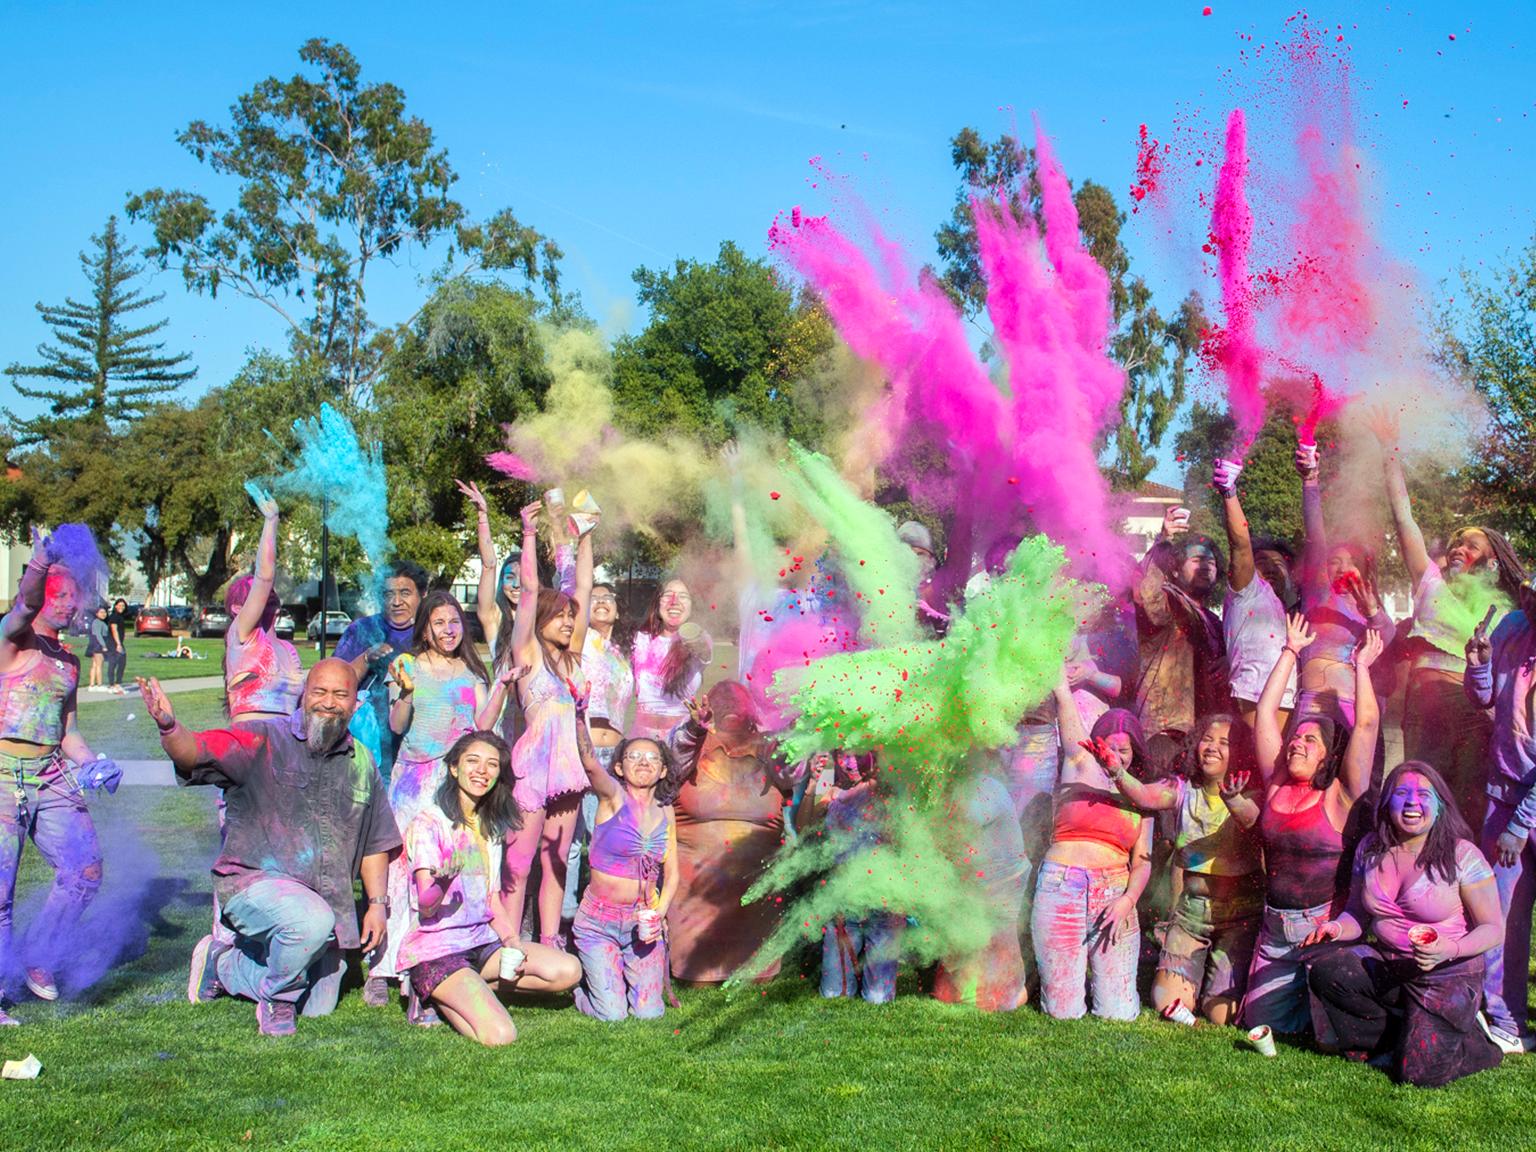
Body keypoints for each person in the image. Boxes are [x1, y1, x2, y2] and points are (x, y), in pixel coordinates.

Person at [139, 659, 398, 1037]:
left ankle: (224, 965)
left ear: (354, 703)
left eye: (340, 695)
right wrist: (169, 726)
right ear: (303, 696)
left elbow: (375, 839)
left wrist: (376, 906)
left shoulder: (361, 762)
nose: (329, 702)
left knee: (321, 1004)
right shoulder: (263, 738)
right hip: (254, 883)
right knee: (309, 924)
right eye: (319, 692)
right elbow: (196, 752)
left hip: (324, 902)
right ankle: (276, 1002)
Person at [1372, 407, 1528, 830]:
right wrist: (1390, 450)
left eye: (1471, 545)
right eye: (1456, 542)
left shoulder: (1508, 613)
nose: (1458, 548)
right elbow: (1404, 519)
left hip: (1477, 715)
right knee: (1423, 799)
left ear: (1493, 563)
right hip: (1423, 708)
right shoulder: (1431, 584)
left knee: (1468, 807)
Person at [1303, 763, 1503, 1086]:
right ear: (1386, 804)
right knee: (1329, 972)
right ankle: (1394, 1038)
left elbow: (1494, 928)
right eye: (1401, 794)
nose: (1412, 802)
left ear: (1440, 806)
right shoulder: (1370, 848)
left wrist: (1448, 950)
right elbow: (1357, 913)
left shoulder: (1462, 855)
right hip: (1392, 964)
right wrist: (1337, 929)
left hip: (1448, 973)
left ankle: (1475, 1046)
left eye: (1424, 795)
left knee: (1416, 1076)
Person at [373, 592, 517, 1005]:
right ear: (425, 627)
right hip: (415, 781)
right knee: (404, 872)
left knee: (450, 869)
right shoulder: (408, 666)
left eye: (455, 622)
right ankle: (385, 966)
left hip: (455, 783)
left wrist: (502, 685)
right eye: (439, 623)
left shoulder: (472, 673)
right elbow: (397, 725)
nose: (449, 630)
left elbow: (481, 726)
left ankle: (436, 960)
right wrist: (404, 691)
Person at [1241, 616, 1382, 1033]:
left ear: (1327, 756)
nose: (1297, 744)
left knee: (1327, 1036)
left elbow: (1368, 725)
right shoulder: (1277, 783)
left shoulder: (1341, 794)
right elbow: (1266, 713)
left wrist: (1362, 667)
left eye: (1310, 741)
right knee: (1261, 1023)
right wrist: (1290, 650)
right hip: (1274, 930)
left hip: (1322, 929)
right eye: (1296, 739)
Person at [0, 528, 118, 1021]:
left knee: (85, 870)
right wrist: (40, 560)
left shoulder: (68, 663)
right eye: (62, 595)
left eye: (76, 597)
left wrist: (92, 762)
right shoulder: (12, 640)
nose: (71, 605)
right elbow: (25, 604)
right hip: (2, 777)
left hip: (50, 776)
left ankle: (39, 957)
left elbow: (67, 730)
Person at [399, 729, 579, 1044]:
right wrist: (441, 883)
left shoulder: (488, 826)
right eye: (473, 761)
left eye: (492, 765)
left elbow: (491, 896)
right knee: (500, 1035)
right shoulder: (430, 824)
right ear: (454, 768)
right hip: (438, 951)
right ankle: (429, 993)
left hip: (481, 944)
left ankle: (467, 988)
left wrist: (511, 940)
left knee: (567, 970)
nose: (482, 771)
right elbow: (426, 905)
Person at [1114, 713, 1264, 1026]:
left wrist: (1233, 799)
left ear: (1239, 751)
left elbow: (1250, 819)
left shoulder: (1252, 794)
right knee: (1166, 1001)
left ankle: (1214, 990)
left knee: (1221, 1014)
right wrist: (1117, 773)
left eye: (1224, 743)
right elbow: (1144, 795)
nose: (1211, 747)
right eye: (1207, 739)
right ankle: (1189, 981)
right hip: (1192, 915)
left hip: (1240, 918)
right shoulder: (1183, 789)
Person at [1030, 679, 1154, 1022]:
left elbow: (1143, 863)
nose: (1114, 756)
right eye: (1108, 746)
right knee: (1062, 1013)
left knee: (1119, 1014)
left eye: (1124, 751)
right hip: (1061, 888)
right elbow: (1066, 709)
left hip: (1113, 896)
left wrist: (1127, 900)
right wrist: (1058, 680)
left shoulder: (1141, 796)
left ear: (1136, 754)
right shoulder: (1079, 763)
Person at [502, 498, 595, 950]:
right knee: (518, 863)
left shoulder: (573, 661)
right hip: (533, 768)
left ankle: (552, 940)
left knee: (556, 859)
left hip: (569, 770)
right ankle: (507, 944)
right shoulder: (529, 652)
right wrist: (527, 534)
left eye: (569, 617)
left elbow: (585, 588)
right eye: (557, 615)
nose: (566, 620)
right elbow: (530, 588)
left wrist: (585, 534)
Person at [667, 681, 802, 982]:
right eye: (724, 705)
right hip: (695, 889)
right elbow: (673, 761)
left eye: (738, 707)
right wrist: (695, 730)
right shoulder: (692, 742)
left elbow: (793, 770)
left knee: (759, 976)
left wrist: (792, 737)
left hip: (756, 883)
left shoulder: (769, 747)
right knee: (696, 980)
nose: (732, 711)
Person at [570, 690, 678, 1021]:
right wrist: (579, 715)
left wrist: (658, 915)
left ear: (662, 771)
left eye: (652, 758)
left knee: (648, 1013)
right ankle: (580, 989)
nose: (643, 762)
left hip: (642, 922)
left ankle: (622, 976)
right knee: (613, 1015)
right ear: (618, 766)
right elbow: (589, 762)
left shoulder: (666, 811)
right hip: (598, 923)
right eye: (633, 757)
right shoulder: (612, 798)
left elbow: (672, 872)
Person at [1465, 592, 1536, 1052]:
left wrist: (1520, 825)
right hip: (1504, 794)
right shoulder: (1512, 625)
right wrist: (1479, 665)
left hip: (1523, 808)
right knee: (1502, 917)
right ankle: (1507, 1022)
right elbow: (1484, 698)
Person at [1293, 438, 1394, 732]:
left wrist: (1373, 611)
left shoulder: (1369, 607)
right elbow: (1316, 537)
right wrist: (1310, 480)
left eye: (1352, 563)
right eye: (1335, 561)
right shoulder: (1318, 594)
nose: (1344, 568)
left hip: (1354, 708)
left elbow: (1384, 644)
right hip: (1312, 706)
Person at [1130, 505, 1230, 742]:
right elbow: (1146, 594)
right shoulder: (1169, 602)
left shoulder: (1214, 622)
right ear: (1174, 570)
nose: (1206, 565)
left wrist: (1229, 662)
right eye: (1196, 559)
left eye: (1212, 562)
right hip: (1165, 730)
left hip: (1204, 736)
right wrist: (1164, 540)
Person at [1212, 457, 1298, 726]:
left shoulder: (1292, 608)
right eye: (1261, 564)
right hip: (1256, 698)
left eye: (1278, 564)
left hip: (1293, 702)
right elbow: (1240, 544)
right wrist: (1229, 492)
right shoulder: (1248, 592)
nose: (1271, 569)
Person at [817, 754, 902, 1004]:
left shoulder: (894, 795)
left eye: (858, 753)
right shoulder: (831, 794)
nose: (849, 762)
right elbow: (804, 829)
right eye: (843, 753)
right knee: (834, 996)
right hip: (845, 901)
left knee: (878, 998)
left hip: (884, 900)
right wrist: (815, 783)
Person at [334, 558, 430, 778]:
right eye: (388, 594)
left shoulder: (431, 632)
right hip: (366, 750)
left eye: (405, 593)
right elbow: (337, 683)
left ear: (422, 594)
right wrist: (366, 657)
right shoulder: (362, 630)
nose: (396, 601)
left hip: (418, 753)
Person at [225, 484, 304, 724]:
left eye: (270, 596)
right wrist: (271, 521)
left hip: (286, 747)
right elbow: (264, 576)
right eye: (256, 596)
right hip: (251, 743)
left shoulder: (289, 650)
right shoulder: (243, 635)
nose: (264, 597)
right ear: (237, 609)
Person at [631, 580, 712, 742]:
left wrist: (690, 637)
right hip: (642, 738)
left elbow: (702, 648)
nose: (674, 601)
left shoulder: (700, 639)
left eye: (683, 596)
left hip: (680, 738)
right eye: (668, 595)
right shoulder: (640, 639)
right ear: (657, 602)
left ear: (691, 605)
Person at [105, 597, 129, 694]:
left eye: (123, 606)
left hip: (117, 643)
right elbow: (114, 630)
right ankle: (112, 685)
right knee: (113, 663)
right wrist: (118, 644)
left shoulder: (119, 616)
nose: (121, 607)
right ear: (115, 606)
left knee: (121, 662)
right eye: (119, 605)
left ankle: (117, 684)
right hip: (113, 643)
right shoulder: (114, 616)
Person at [85, 605, 108, 691]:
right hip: (98, 645)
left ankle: (91, 685)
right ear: (96, 613)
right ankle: (99, 685)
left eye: (105, 612)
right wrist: (104, 645)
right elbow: (98, 635)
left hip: (94, 644)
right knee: (99, 665)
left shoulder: (98, 622)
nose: (104, 614)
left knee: (94, 665)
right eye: (101, 612)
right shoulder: (98, 622)